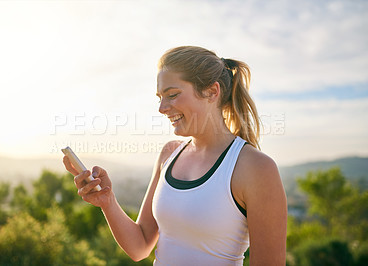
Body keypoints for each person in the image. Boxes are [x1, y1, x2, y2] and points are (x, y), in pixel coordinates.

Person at [63, 46, 287, 265]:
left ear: (212, 91)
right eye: (160, 97)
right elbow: (139, 246)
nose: (162, 108)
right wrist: (107, 202)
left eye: (172, 95)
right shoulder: (169, 154)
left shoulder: (255, 168)